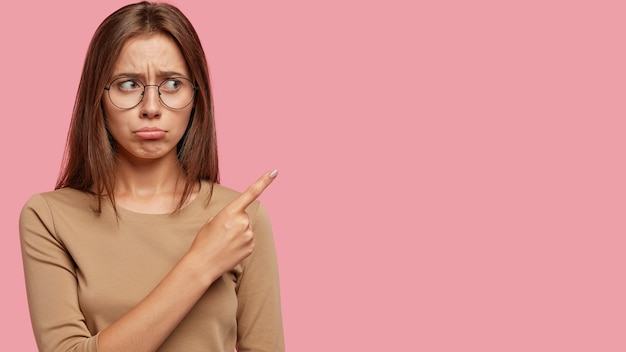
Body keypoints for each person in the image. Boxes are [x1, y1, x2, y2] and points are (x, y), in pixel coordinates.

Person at [18, 2, 285, 351]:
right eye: (128, 84)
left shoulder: (240, 219)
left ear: (196, 96)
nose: (151, 107)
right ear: (97, 97)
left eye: (172, 84)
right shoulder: (49, 217)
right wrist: (201, 263)